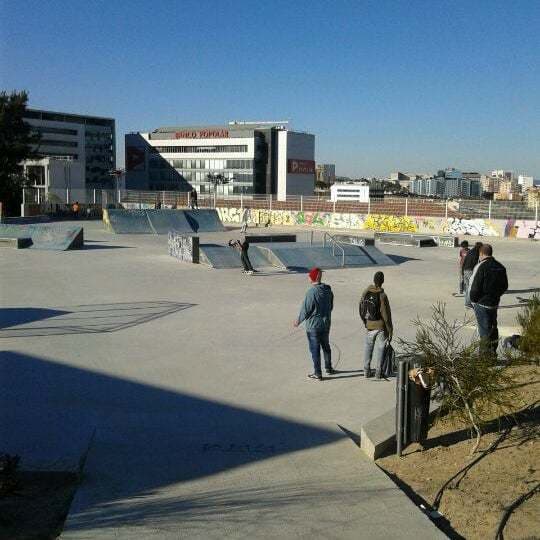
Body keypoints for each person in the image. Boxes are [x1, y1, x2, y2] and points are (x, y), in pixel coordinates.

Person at [294, 267, 335, 380]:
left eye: (309, 276)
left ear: (313, 277)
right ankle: (329, 368)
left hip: (313, 326)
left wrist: (298, 320)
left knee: (315, 349)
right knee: (326, 346)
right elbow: (331, 306)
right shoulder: (328, 290)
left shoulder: (311, 292)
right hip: (325, 324)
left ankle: (318, 373)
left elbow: (306, 309)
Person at [469, 244, 508, 354]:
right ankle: (493, 353)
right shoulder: (500, 266)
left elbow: (474, 286)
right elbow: (505, 286)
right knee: (493, 328)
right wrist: (496, 296)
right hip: (494, 303)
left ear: (481, 254)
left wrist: (473, 300)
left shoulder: (481, 266)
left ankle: (485, 358)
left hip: (482, 304)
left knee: (484, 331)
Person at [359, 271, 393, 379]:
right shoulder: (382, 295)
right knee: (380, 348)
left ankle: (366, 371)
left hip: (369, 325)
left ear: (374, 280)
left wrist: (365, 322)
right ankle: (378, 372)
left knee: (368, 348)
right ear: (382, 281)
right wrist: (390, 329)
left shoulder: (365, 292)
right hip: (380, 326)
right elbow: (386, 315)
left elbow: (361, 308)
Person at [462, 241, 483, 307]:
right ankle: (468, 303)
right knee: (470, 288)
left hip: (465, 270)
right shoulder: (476, 253)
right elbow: (475, 264)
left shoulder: (470, 251)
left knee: (468, 287)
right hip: (470, 271)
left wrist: (462, 271)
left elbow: (464, 261)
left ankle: (468, 302)